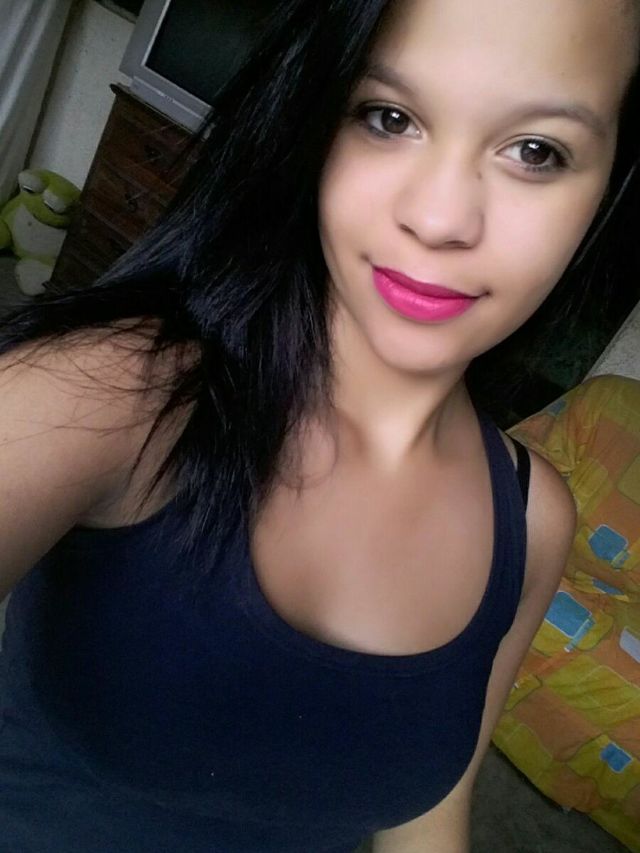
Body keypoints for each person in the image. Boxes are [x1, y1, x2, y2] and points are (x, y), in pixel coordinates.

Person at [0, 0, 638, 850]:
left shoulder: (533, 521)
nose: (440, 219)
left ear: (606, 188)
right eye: (389, 117)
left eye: (536, 151)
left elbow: (425, 819)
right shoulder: (113, 395)